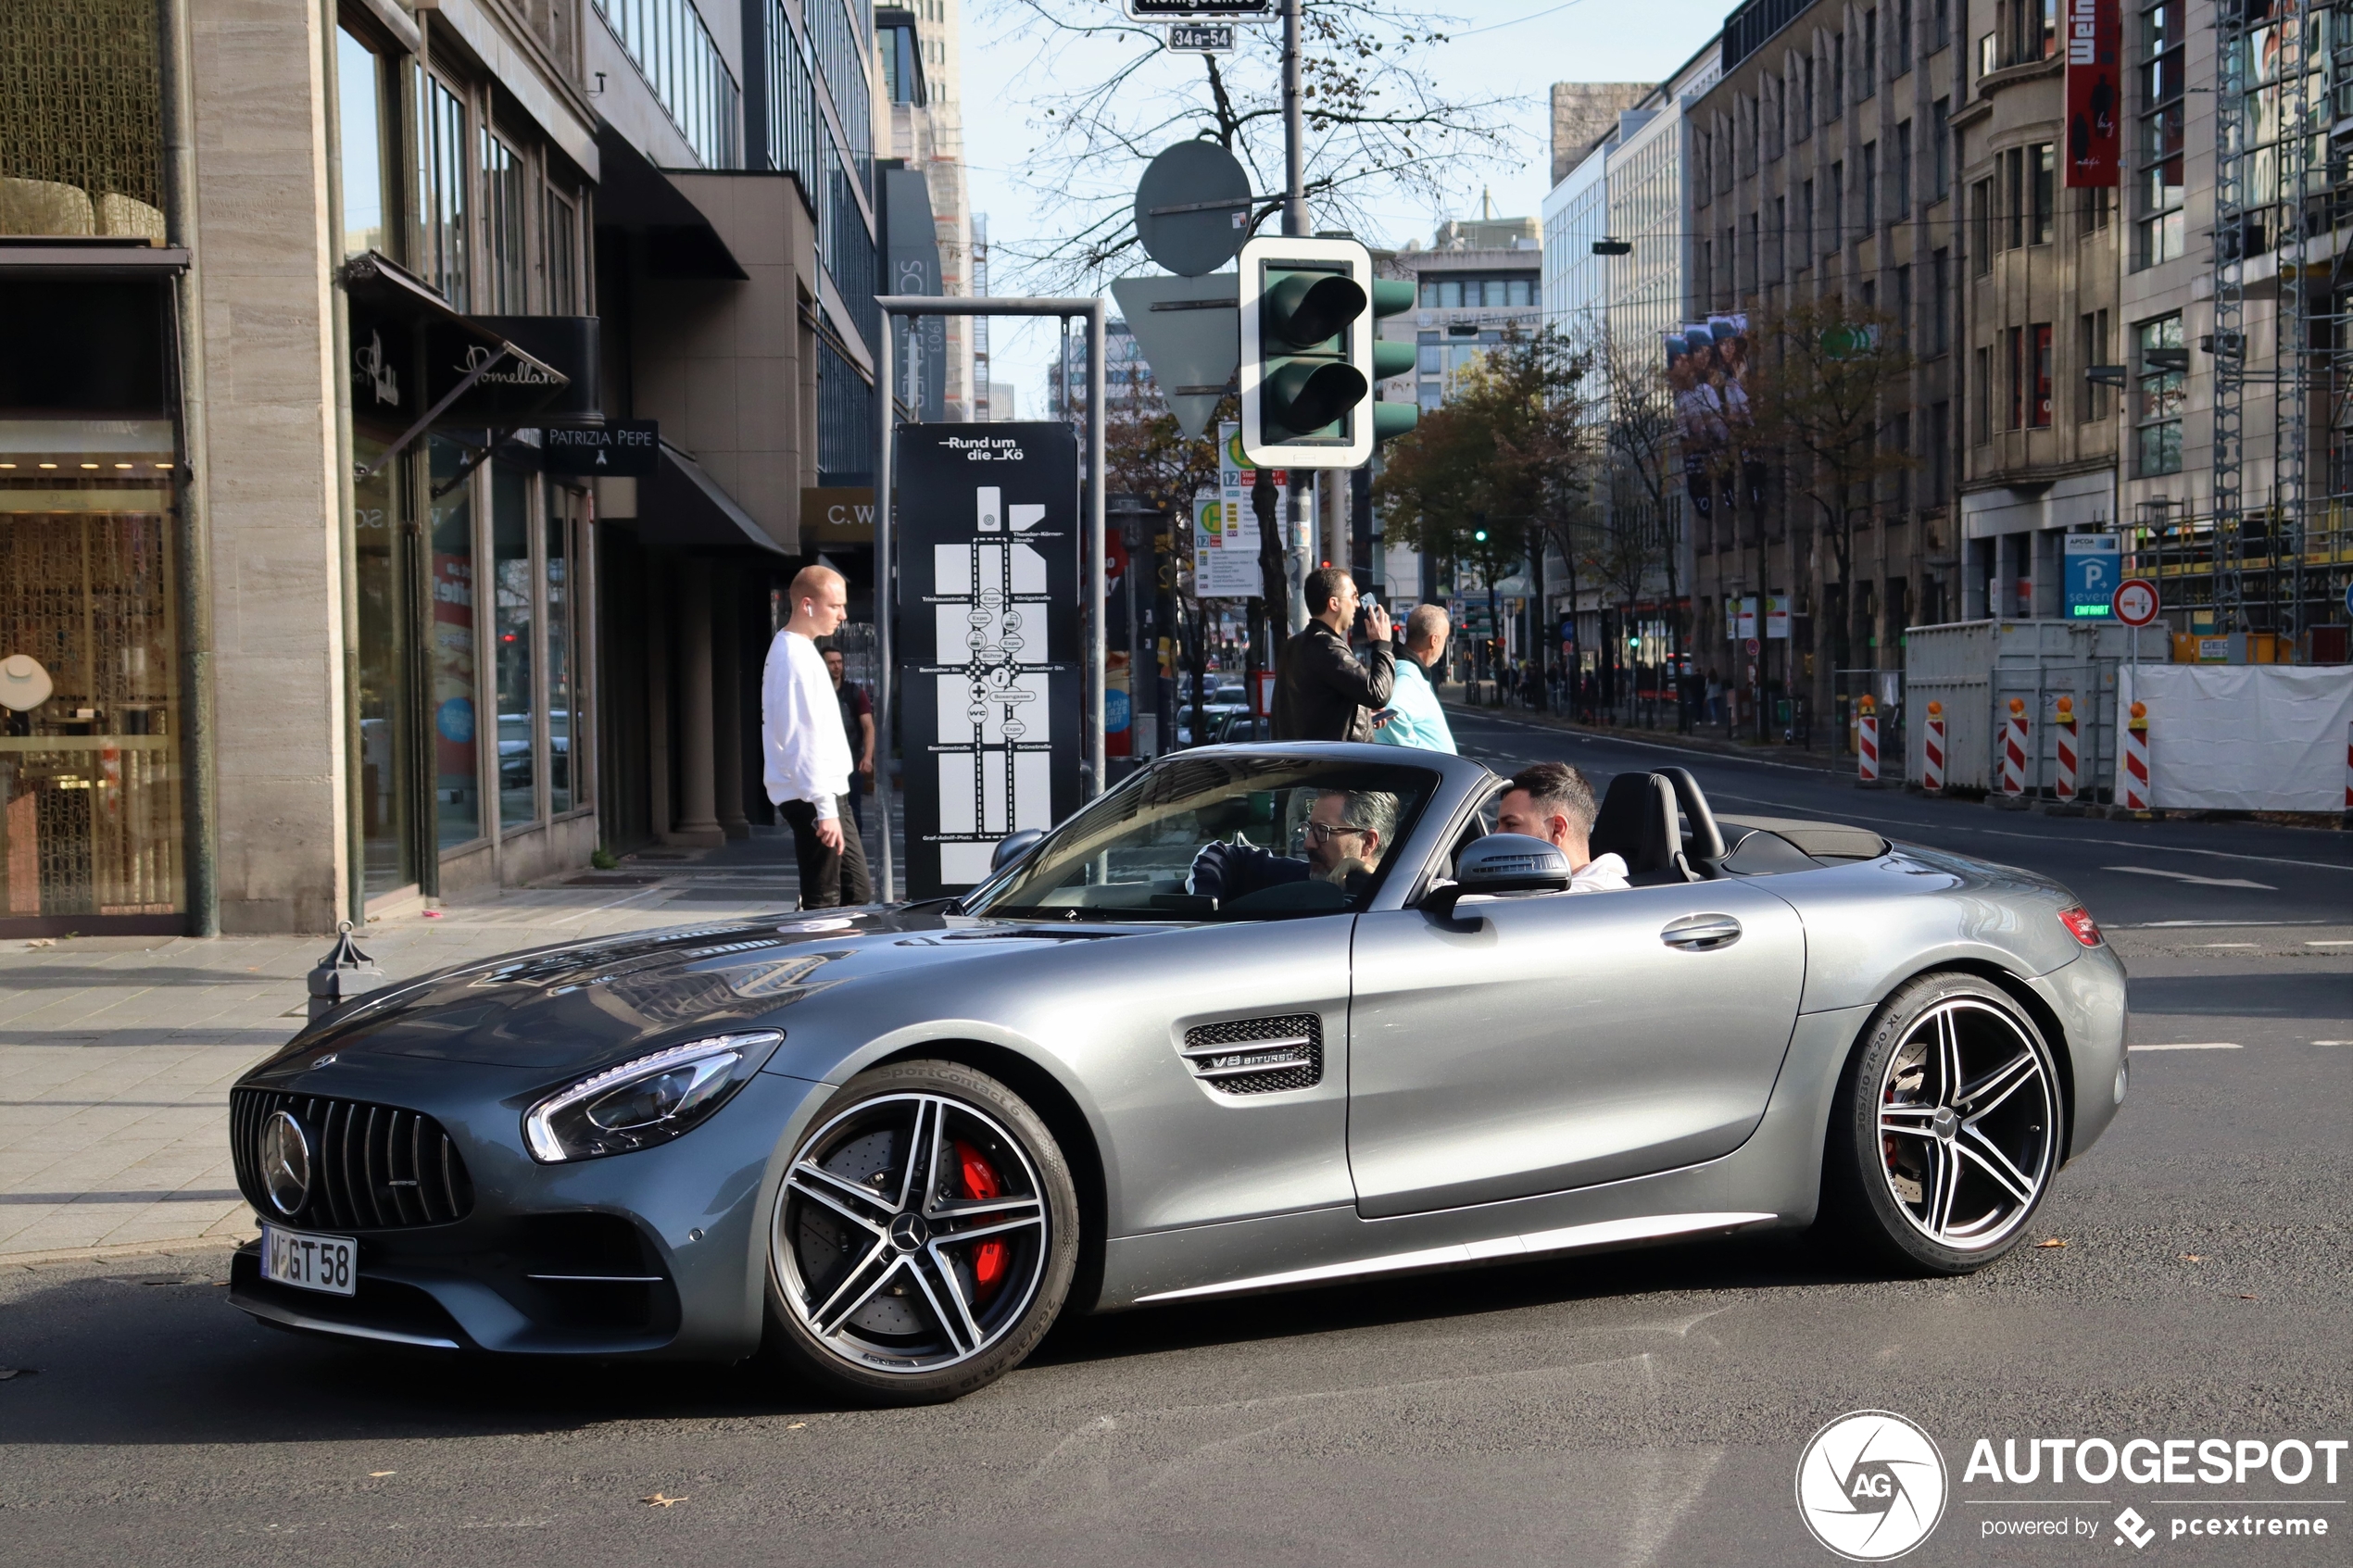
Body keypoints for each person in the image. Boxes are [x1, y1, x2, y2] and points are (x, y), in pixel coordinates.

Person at [761, 564, 872, 909]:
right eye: (835, 605)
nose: (843, 614)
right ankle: (815, 957)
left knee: (851, 894)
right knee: (827, 897)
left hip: (822, 793)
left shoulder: (800, 650)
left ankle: (827, 954)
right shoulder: (794, 657)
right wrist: (824, 808)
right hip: (815, 795)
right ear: (807, 605)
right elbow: (800, 737)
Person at [1188, 787, 1398, 903]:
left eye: (1322, 831)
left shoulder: (1403, 902)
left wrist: (1369, 882)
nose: (1308, 844)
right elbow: (1222, 855)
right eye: (1309, 829)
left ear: (1368, 842)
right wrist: (1204, 911)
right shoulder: (1303, 878)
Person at [1271, 567, 1393, 742]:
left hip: (1308, 759)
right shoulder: (1328, 647)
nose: (1358, 604)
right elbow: (1378, 694)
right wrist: (1382, 644)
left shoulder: (1294, 645)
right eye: (1353, 597)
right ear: (1334, 603)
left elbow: (1316, 709)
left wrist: (1363, 713)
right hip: (1334, 763)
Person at [1493, 760, 1629, 892]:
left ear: (1557, 829)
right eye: (1498, 825)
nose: (1494, 836)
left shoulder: (1593, 898)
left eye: (1511, 824)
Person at [1372, 603, 1457, 754]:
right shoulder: (1408, 675)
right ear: (1435, 640)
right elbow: (1390, 709)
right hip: (1429, 774)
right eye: (1444, 638)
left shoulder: (1405, 669)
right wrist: (1415, 754)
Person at [822, 646, 875, 831]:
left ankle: (852, 855)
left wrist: (867, 757)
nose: (837, 666)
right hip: (821, 763)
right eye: (831, 663)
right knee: (822, 813)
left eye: (839, 662)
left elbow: (868, 726)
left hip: (850, 760)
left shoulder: (854, 692)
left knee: (852, 810)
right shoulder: (814, 692)